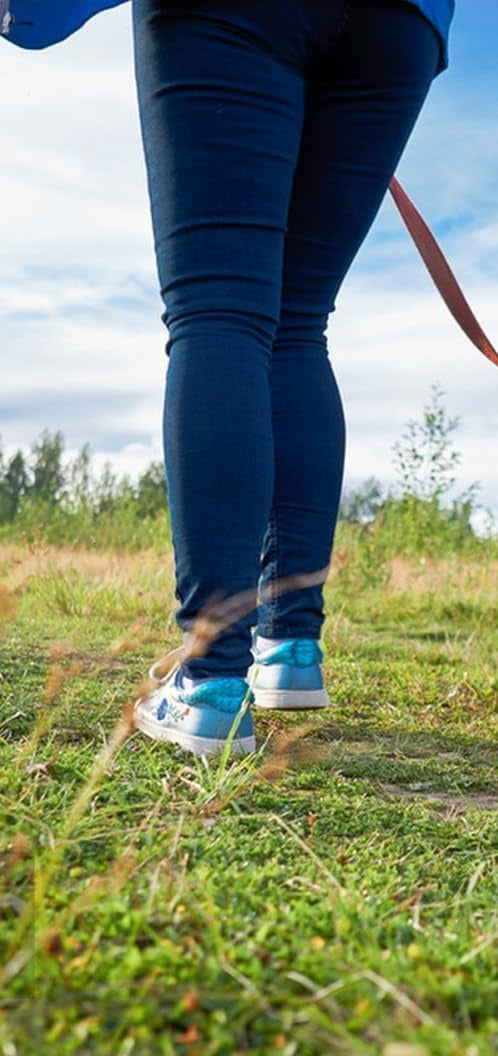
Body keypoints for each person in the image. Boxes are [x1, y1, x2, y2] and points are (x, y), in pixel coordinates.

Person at [129, 0, 453, 757]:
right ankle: (289, 647)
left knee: (220, 308)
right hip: (400, 23)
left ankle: (210, 680)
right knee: (299, 320)